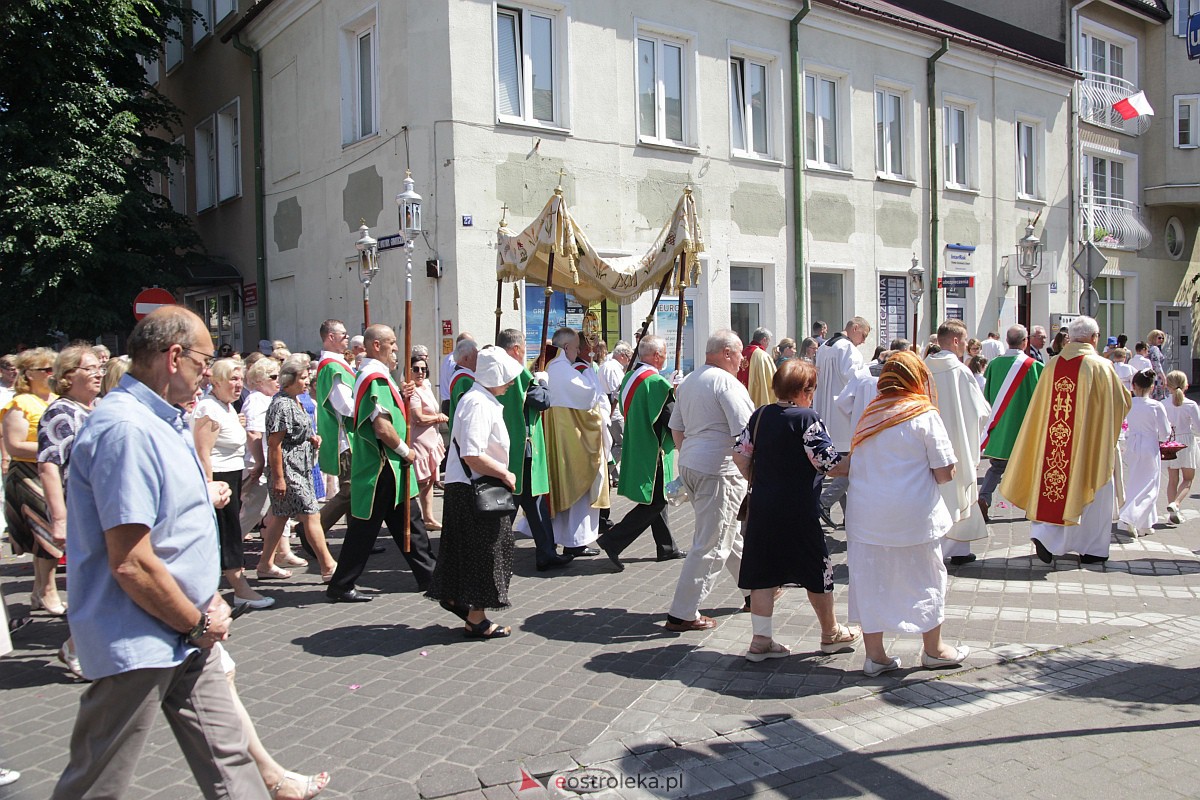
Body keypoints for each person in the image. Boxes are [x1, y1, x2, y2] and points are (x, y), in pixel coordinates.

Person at [51, 306, 268, 800]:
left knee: (230, 758)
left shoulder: (162, 421)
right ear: (174, 357)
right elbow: (131, 560)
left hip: (187, 631)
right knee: (97, 780)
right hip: (142, 639)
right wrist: (194, 618)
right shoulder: (125, 429)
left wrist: (205, 602)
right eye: (203, 362)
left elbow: (172, 532)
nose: (208, 376)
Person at [845, 351, 967, 676]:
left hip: (866, 515)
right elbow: (944, 472)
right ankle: (934, 649)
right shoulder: (924, 414)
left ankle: (875, 655)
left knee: (870, 581)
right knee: (926, 577)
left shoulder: (870, 413)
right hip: (913, 516)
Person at [732, 359, 859, 662]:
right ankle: (831, 633)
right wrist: (861, 457)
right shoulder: (807, 418)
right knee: (816, 569)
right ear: (804, 390)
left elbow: (739, 456)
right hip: (798, 508)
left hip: (762, 506)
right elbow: (830, 464)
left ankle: (761, 640)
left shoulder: (760, 415)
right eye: (811, 389)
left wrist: (760, 479)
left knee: (763, 572)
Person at [1002, 316, 1130, 565]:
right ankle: (1092, 549)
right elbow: (1122, 403)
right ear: (1094, 338)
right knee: (1094, 493)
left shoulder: (1052, 365)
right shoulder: (1101, 366)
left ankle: (1045, 535)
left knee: (1054, 487)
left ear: (1070, 337)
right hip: (1090, 445)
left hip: (1053, 444)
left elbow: (1039, 408)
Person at [325, 325, 436, 602]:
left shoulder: (378, 376)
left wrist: (402, 391)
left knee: (407, 522)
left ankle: (430, 575)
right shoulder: (374, 377)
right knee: (366, 529)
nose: (396, 348)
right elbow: (381, 426)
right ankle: (341, 584)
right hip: (384, 465)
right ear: (377, 345)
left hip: (389, 467)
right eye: (392, 342)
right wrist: (405, 450)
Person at [425, 346, 525, 638]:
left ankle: (461, 601)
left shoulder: (481, 399)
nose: (510, 382)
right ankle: (476, 618)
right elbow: (472, 454)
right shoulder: (479, 403)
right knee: (488, 552)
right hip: (474, 488)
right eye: (507, 377)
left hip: (469, 487)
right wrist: (505, 473)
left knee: (468, 551)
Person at [663, 330, 753, 633]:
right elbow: (746, 433)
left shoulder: (690, 380)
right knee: (712, 542)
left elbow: (676, 428)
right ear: (727, 352)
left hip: (693, 464)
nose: (742, 360)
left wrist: (690, 455)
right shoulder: (726, 383)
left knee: (728, 533)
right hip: (720, 470)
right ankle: (683, 613)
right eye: (739, 354)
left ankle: (755, 589)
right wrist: (752, 472)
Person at [37, 344, 103, 678]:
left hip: (103, 507)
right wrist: (59, 518)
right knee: (93, 581)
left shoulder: (98, 408)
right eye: (89, 368)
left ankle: (89, 645)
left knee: (106, 579)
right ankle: (75, 647)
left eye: (98, 368)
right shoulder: (61, 412)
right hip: (80, 511)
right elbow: (49, 466)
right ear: (66, 377)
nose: (97, 373)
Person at [597, 335, 686, 571]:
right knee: (655, 503)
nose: (666, 357)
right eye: (665, 353)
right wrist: (677, 393)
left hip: (638, 442)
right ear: (656, 355)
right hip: (653, 449)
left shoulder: (630, 377)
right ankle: (612, 541)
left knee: (658, 499)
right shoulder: (656, 383)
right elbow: (671, 420)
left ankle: (666, 548)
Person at [191, 358, 274, 611]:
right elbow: (202, 452)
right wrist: (209, 486)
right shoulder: (209, 409)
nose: (238, 385)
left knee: (227, 534)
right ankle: (239, 589)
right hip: (217, 479)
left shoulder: (225, 408)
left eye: (240, 379)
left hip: (231, 476)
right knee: (225, 535)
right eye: (232, 379)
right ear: (215, 382)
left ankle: (218, 590)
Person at [258, 354, 338, 582]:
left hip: (301, 467)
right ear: (290, 379)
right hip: (289, 470)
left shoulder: (296, 401)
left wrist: (312, 440)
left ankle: (265, 565)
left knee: (281, 516)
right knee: (311, 514)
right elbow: (275, 444)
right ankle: (328, 565)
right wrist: (279, 479)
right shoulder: (281, 404)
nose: (307, 382)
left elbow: (296, 433)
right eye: (303, 378)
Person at [495, 329, 571, 571]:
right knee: (510, 505)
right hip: (521, 447)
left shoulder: (492, 369)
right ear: (516, 349)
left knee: (535, 502)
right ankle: (492, 555)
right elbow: (543, 401)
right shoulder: (517, 371)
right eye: (524, 346)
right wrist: (542, 381)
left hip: (506, 444)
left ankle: (546, 552)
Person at [924, 320, 990, 566]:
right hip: (957, 444)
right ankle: (959, 549)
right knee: (958, 489)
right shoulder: (961, 371)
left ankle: (939, 547)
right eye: (963, 340)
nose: (965, 345)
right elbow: (981, 411)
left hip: (928, 444)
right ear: (954, 341)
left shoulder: (922, 368)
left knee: (935, 494)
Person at [2, 347, 62, 614]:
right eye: (46, 370)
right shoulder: (20, 403)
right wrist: (55, 448)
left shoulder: (57, 399)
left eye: (54, 369)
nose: (51, 374)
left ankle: (40, 590)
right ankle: (48, 591)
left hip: (53, 472)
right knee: (47, 534)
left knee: (44, 537)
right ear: (29, 374)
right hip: (29, 475)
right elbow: (14, 445)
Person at [544, 327, 609, 557]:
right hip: (570, 440)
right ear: (567, 348)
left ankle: (564, 540)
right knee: (578, 487)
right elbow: (589, 396)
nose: (578, 351)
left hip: (558, 436)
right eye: (575, 347)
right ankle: (575, 541)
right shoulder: (563, 370)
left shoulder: (550, 366)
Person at [978, 325, 1043, 523]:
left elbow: (987, 396)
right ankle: (1031, 507)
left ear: (1007, 341)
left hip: (1000, 429)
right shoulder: (1033, 366)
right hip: (1024, 430)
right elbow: (1040, 399)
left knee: (996, 468)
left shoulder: (994, 365)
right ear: (1025, 342)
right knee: (1032, 468)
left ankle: (984, 498)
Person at [814, 316, 871, 527]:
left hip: (826, 414)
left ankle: (851, 518)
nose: (863, 341)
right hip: (844, 417)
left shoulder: (824, 347)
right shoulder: (848, 349)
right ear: (855, 328)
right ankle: (825, 501)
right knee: (852, 466)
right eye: (863, 335)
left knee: (842, 466)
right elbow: (857, 382)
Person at [1118, 369, 1170, 538]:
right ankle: (1130, 516)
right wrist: (1163, 439)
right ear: (1152, 387)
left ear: (1133, 386)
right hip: (1149, 444)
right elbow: (1165, 431)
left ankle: (1145, 524)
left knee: (1135, 482)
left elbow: (1125, 425)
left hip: (1133, 444)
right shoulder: (1156, 405)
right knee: (1150, 486)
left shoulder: (1130, 404)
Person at [315, 319, 355, 536]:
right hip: (345, 436)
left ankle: (356, 536)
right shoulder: (332, 366)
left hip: (348, 434)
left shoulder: (337, 363)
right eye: (344, 334)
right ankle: (312, 530)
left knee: (354, 490)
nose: (347, 338)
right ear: (331, 337)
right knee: (350, 489)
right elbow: (345, 405)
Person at [408, 354, 448, 529]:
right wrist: (438, 418)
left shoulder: (425, 387)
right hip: (419, 441)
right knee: (420, 481)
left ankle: (429, 517)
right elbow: (418, 418)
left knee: (430, 480)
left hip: (431, 439)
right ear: (409, 371)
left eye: (423, 369)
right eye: (416, 369)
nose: (420, 372)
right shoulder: (413, 391)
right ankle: (411, 519)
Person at [1164, 371, 1200, 525]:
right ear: (1186, 385)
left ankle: (1173, 512)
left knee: (1172, 479)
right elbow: (1198, 428)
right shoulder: (1191, 404)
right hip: (1186, 441)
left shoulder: (1163, 403)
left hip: (1171, 441)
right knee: (1188, 479)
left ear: (1167, 386)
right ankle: (1176, 504)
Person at [598, 340, 633, 486]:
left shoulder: (608, 366)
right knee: (622, 443)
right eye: (629, 357)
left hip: (610, 409)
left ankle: (615, 476)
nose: (629, 361)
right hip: (614, 411)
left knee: (613, 443)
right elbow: (616, 392)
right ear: (623, 356)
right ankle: (606, 470)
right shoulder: (612, 368)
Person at [738, 327, 777, 408]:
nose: (768, 344)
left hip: (741, 399)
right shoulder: (762, 356)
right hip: (757, 403)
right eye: (768, 341)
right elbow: (772, 380)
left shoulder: (742, 353)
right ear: (764, 340)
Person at [447, 336, 479, 432]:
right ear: (466, 358)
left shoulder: (461, 375)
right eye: (476, 357)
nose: (478, 360)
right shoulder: (464, 380)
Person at [439, 331, 475, 414]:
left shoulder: (448, 357)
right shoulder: (456, 360)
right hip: (454, 402)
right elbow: (458, 383)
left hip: (449, 401)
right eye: (471, 344)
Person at [1146, 329, 1169, 401]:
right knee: (1158, 397)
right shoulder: (1155, 349)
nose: (1161, 340)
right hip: (1157, 376)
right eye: (1159, 338)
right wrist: (1163, 376)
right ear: (1153, 337)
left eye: (1162, 338)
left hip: (1150, 375)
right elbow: (1156, 364)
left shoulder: (1148, 348)